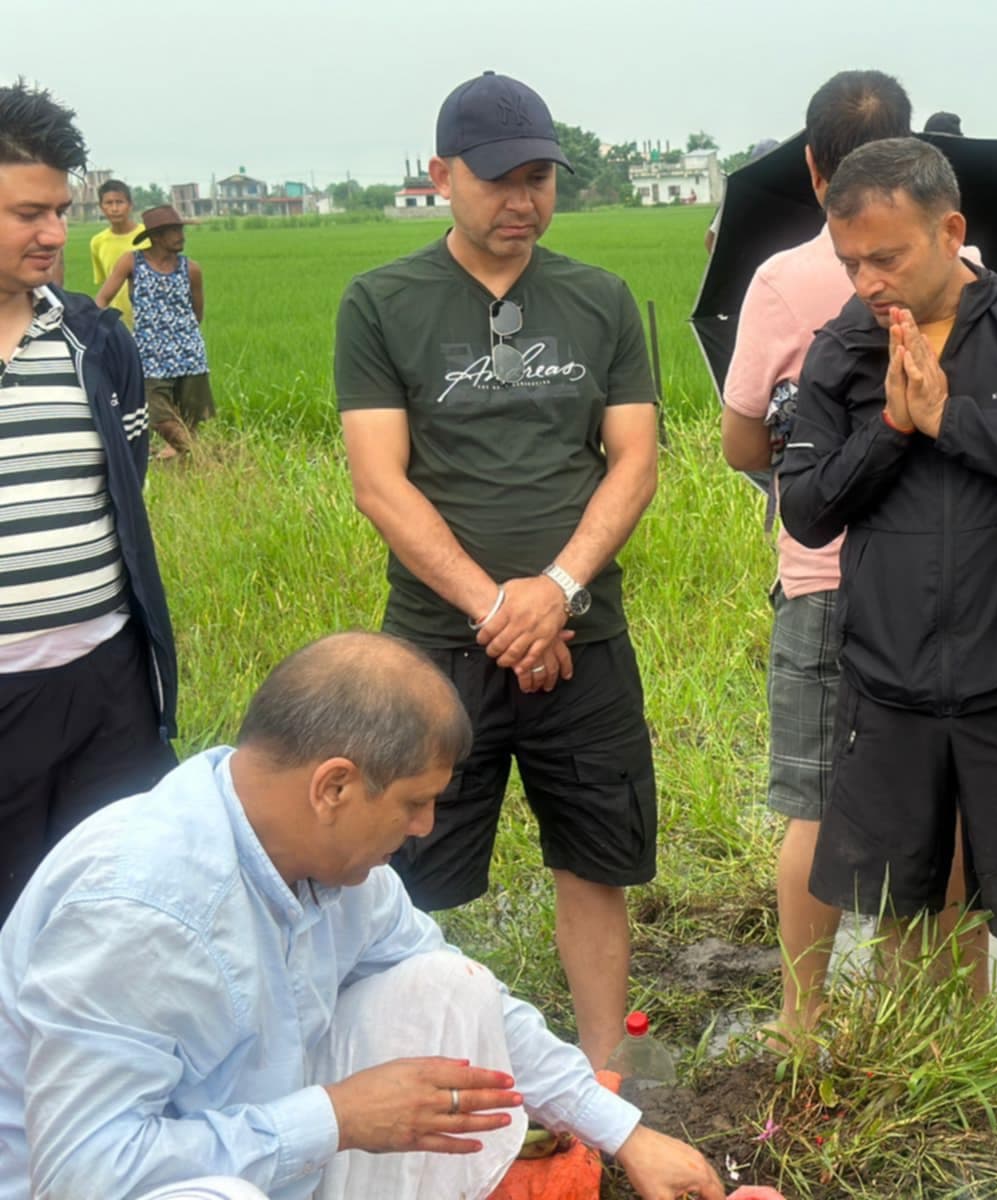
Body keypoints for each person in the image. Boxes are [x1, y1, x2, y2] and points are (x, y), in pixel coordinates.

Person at [0, 633, 724, 1200]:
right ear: (334, 787)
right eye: (414, 802)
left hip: (254, 1141)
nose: (425, 827)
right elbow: (81, 1174)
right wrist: (338, 1116)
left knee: (447, 987)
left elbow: (486, 1010)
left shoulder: (336, 870)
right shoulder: (142, 912)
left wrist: (624, 1135)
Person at [336, 71, 660, 1070]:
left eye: (539, 180)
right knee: (408, 872)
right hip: (440, 649)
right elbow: (380, 483)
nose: (522, 201)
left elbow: (634, 463)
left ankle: (602, 1078)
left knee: (594, 860)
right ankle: (420, 1079)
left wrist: (556, 592)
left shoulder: (600, 300)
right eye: (498, 180)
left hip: (582, 638)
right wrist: (500, 613)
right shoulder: (381, 303)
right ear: (442, 177)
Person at [779, 137, 997, 1003]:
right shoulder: (843, 348)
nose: (867, 282)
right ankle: (928, 1056)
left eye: (886, 258)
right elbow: (806, 508)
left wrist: (948, 421)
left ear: (950, 231)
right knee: (903, 903)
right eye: (850, 262)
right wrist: (891, 429)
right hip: (886, 679)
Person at [721, 70, 960, 1037]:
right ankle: (928, 1012)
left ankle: (802, 1016)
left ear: (814, 168)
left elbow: (741, 442)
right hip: (939, 573)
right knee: (933, 798)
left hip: (822, 579)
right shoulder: (960, 263)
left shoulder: (783, 280)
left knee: (815, 803)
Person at [0, 81, 177, 923]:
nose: (53, 234)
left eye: (59, 212)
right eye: (27, 213)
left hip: (107, 689)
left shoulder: (95, 341)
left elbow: (124, 486)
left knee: (113, 916)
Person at [95, 204, 213, 458]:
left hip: (189, 354)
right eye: (174, 231)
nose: (181, 236)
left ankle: (189, 466)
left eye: (181, 230)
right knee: (155, 413)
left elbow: (197, 314)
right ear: (157, 236)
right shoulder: (132, 262)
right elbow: (102, 299)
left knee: (189, 418)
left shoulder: (191, 269)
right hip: (149, 355)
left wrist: (182, 337)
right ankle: (203, 459)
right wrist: (100, 330)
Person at [88, 178, 141, 328]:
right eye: (109, 203)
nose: (114, 208)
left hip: (150, 320)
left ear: (130, 205)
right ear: (101, 207)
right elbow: (104, 285)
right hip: (118, 323)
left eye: (119, 202)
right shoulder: (98, 242)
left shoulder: (149, 236)